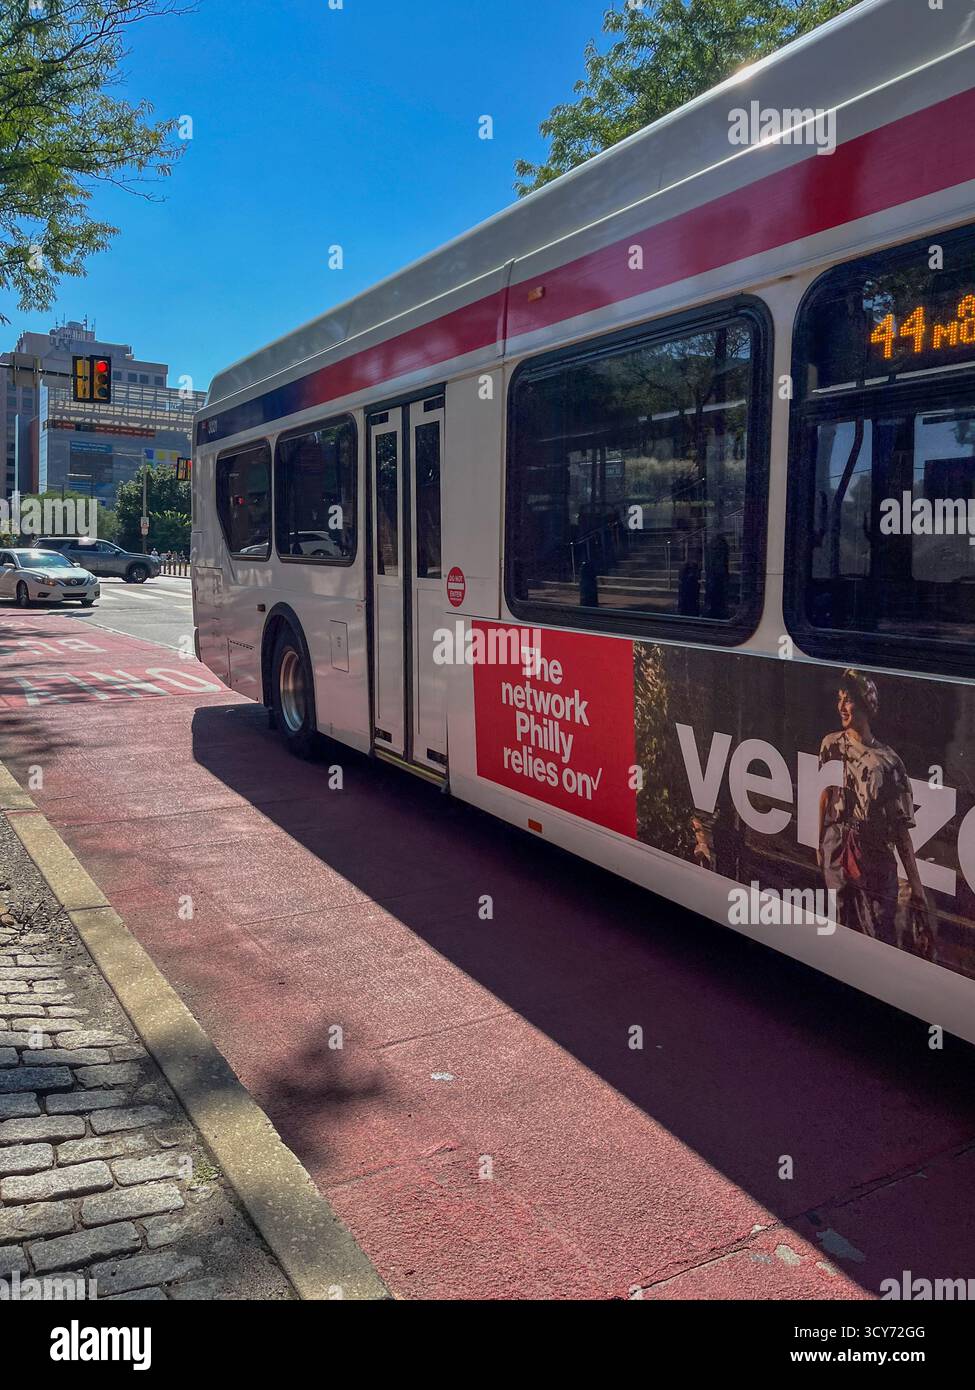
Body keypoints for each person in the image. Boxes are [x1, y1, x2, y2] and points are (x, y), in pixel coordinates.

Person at [817, 668, 934, 952]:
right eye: (839, 698)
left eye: (848, 699)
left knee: (879, 934)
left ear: (865, 704)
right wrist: (820, 842)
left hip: (876, 856)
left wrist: (916, 885)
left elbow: (900, 829)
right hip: (838, 849)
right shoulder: (831, 745)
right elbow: (826, 795)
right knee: (841, 928)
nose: (841, 706)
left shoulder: (890, 763)